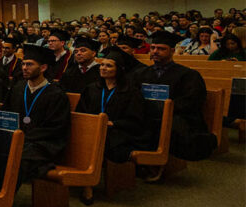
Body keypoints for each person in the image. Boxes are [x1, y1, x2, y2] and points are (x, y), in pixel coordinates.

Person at [134, 30, 216, 161]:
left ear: (172, 51)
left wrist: (162, 108)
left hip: (177, 116)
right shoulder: (140, 74)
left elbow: (192, 101)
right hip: (147, 115)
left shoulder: (188, 75)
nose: (155, 51)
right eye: (153, 48)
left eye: (161, 49)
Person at [4, 44, 71, 186]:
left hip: (45, 144)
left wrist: (23, 138)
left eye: (29, 64)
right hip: (19, 139)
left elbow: (55, 128)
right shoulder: (18, 88)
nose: (24, 68)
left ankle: (4, 198)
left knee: (17, 157)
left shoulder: (56, 94)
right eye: (23, 64)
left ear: (43, 68)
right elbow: (8, 114)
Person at [76, 49, 150, 165]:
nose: (103, 68)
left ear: (119, 70)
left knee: (105, 141)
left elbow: (136, 121)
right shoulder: (92, 89)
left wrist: (112, 123)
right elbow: (80, 112)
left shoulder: (131, 92)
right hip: (92, 130)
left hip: (118, 132)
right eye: (102, 65)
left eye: (109, 66)